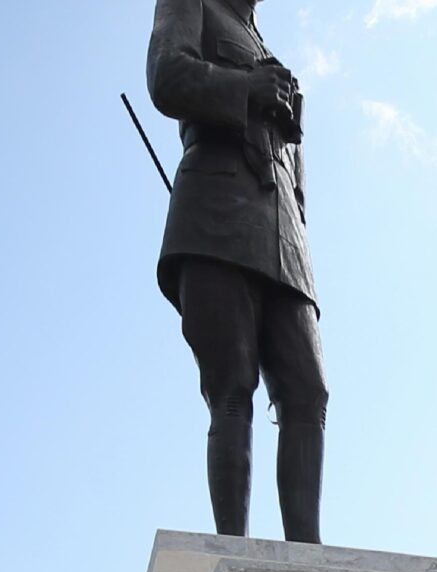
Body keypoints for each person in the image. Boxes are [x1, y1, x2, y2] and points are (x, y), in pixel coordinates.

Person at [147, 0, 329, 542]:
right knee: (232, 386)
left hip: (284, 240)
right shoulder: (192, 5)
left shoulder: (264, 45)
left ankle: (308, 553)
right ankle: (234, 548)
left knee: (307, 391)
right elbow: (167, 76)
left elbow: (293, 165)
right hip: (215, 217)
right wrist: (244, 89)